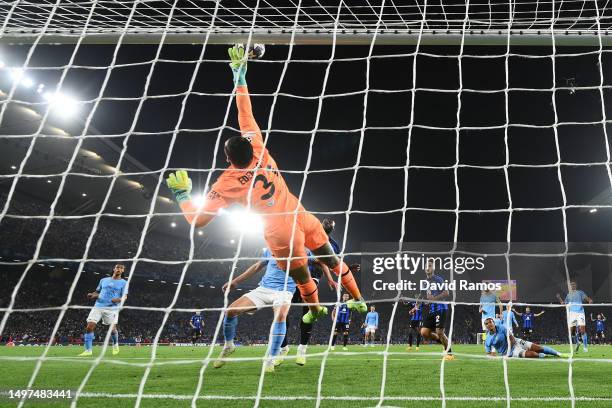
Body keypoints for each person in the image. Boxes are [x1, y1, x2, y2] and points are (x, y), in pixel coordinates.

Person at [165, 45, 366, 325]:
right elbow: (244, 112)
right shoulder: (258, 146)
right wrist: (239, 76)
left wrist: (182, 195)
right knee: (331, 259)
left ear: (227, 159)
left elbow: (197, 221)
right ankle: (357, 299)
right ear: (248, 144)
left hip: (279, 232)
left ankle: (315, 309)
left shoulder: (227, 183)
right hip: (300, 214)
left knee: (302, 276)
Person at [214, 247, 296, 373]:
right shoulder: (271, 248)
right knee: (230, 311)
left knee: (280, 316)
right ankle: (228, 346)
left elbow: (319, 263)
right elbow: (257, 266)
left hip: (284, 291)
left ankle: (270, 359)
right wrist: (236, 281)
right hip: (263, 289)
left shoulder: (303, 249)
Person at [79, 264, 128, 356]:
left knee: (112, 329)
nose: (119, 269)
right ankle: (88, 350)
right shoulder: (103, 280)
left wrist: (119, 299)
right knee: (89, 326)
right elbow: (97, 292)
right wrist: (92, 295)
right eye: (117, 267)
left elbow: (125, 296)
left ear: (122, 271)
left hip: (112, 308)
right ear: (114, 269)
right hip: (98, 306)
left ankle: (115, 344)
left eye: (121, 268)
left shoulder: (124, 283)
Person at [410, 261, 454, 360]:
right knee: (424, 332)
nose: (427, 268)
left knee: (439, 332)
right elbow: (421, 297)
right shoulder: (424, 282)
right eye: (426, 266)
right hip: (432, 310)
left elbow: (446, 293)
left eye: (429, 266)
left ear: (433, 268)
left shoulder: (438, 279)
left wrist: (433, 299)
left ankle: (450, 353)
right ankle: (445, 342)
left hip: (441, 308)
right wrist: (415, 307)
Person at [483, 317, 566, 359]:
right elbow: (489, 353)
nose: (489, 324)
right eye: (487, 323)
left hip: (516, 342)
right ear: (485, 326)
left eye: (490, 322)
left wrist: (509, 349)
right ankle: (543, 356)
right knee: (533, 354)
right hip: (511, 352)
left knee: (538, 347)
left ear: (493, 322)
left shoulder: (501, 327)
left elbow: (511, 338)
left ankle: (559, 354)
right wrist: (492, 355)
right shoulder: (488, 339)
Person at [556, 281, 593, 352]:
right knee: (572, 333)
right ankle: (577, 342)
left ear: (576, 285)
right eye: (571, 285)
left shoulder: (580, 292)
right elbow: (563, 303)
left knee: (582, 330)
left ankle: (585, 347)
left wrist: (589, 300)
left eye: (573, 284)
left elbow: (586, 298)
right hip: (572, 314)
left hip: (580, 313)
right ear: (570, 286)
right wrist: (559, 298)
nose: (572, 285)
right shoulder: (568, 295)